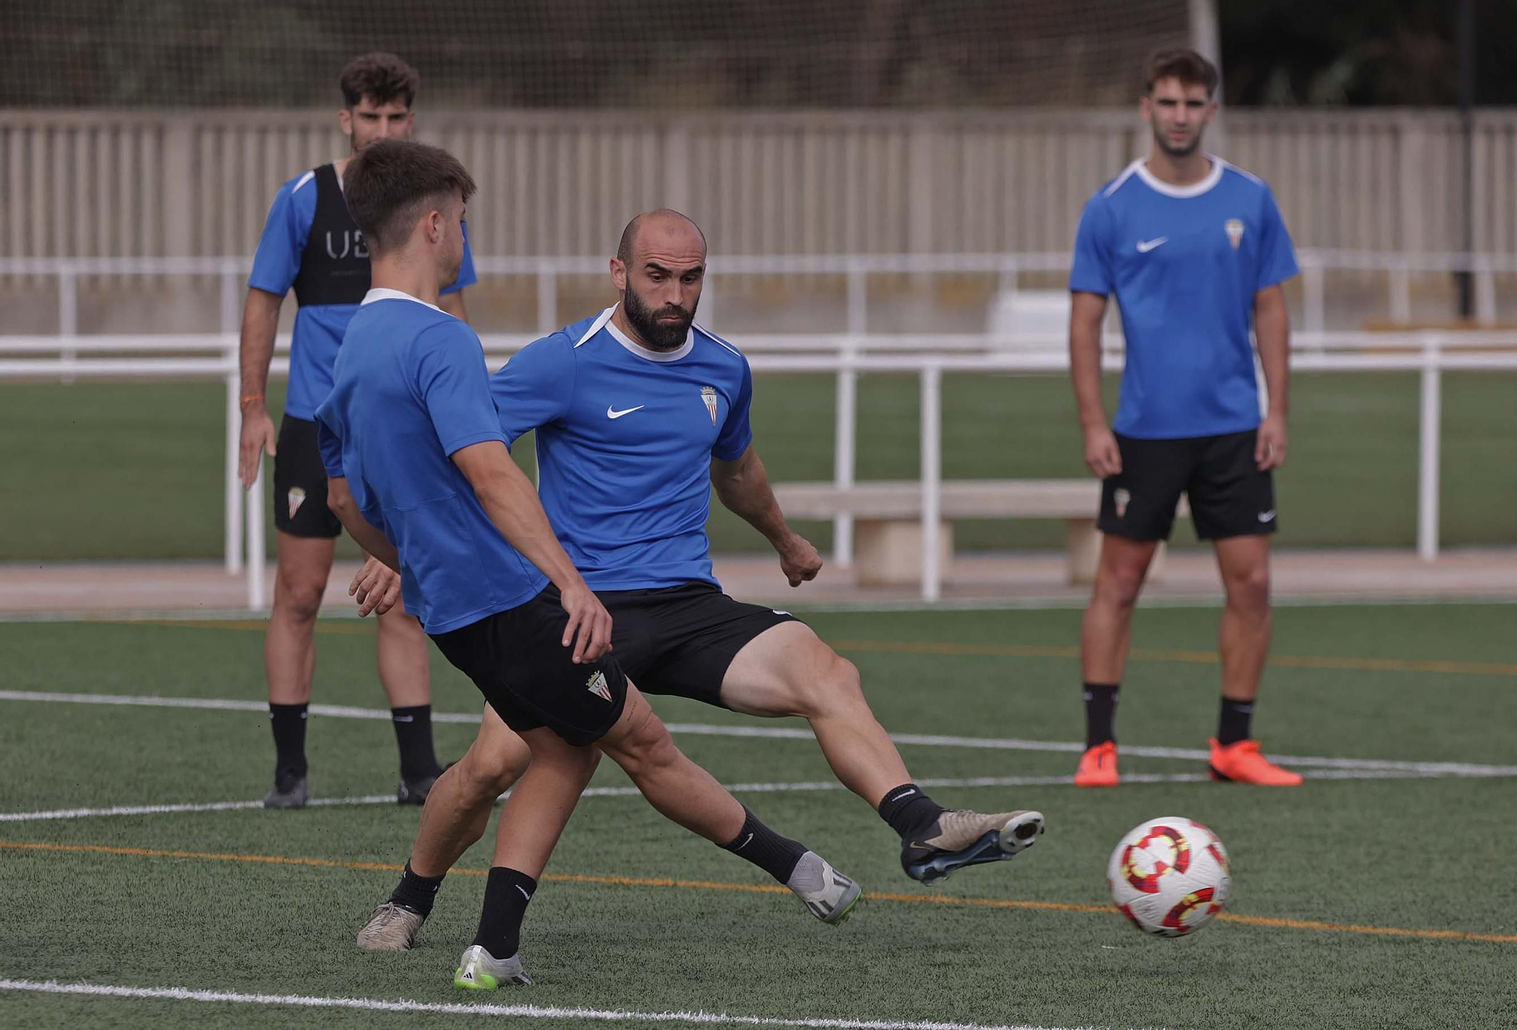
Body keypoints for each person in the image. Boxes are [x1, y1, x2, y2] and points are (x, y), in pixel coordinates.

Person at [349, 208, 1047, 967]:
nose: (675, 294)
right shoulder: (561, 360)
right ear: (619, 274)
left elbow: (737, 470)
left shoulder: (723, 367)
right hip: (580, 609)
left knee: (825, 671)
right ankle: (409, 900)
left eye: (690, 278)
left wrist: (785, 540)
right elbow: (468, 453)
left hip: (689, 605)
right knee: (492, 766)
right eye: (657, 275)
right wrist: (402, 549)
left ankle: (922, 825)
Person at [318, 142, 864, 991]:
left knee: (562, 747)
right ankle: (498, 945)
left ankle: (437, 913)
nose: (466, 236)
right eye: (461, 221)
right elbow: (493, 472)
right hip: (507, 597)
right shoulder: (442, 339)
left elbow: (346, 493)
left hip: (452, 607)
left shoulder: (351, 341)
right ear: (432, 224)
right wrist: (569, 584)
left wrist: (401, 560)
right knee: (628, 743)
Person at [236, 53, 476, 808]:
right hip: (315, 423)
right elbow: (263, 301)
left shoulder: (431, 207)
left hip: (401, 426)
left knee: (408, 592)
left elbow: (454, 313)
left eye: (394, 117)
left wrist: (468, 413)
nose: (380, 129)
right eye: (367, 116)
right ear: (346, 120)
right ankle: (289, 773)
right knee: (299, 593)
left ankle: (418, 772)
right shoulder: (304, 197)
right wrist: (251, 405)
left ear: (411, 120)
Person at [1067, 48, 1302, 788]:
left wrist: (1276, 410)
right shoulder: (1111, 206)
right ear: (1146, 108)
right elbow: (1084, 323)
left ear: (1212, 109)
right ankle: (1099, 746)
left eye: (1193, 104)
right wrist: (1093, 423)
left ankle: (1235, 744)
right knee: (1120, 584)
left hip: (1235, 429)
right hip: (1143, 432)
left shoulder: (1251, 199)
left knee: (1253, 585)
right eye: (1167, 102)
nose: (1179, 116)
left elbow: (1271, 306)